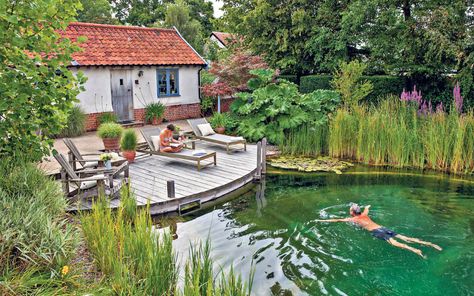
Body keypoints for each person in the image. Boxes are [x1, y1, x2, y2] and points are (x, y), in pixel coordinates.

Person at [316, 204, 442, 258]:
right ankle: (429, 244)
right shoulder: (364, 214)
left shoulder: (354, 219)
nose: (350, 211)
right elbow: (367, 209)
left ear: (353, 213)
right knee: (405, 237)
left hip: (378, 232)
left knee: (395, 243)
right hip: (382, 228)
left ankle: (415, 250)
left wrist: (323, 221)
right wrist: (367, 206)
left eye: (350, 210)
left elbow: (338, 220)